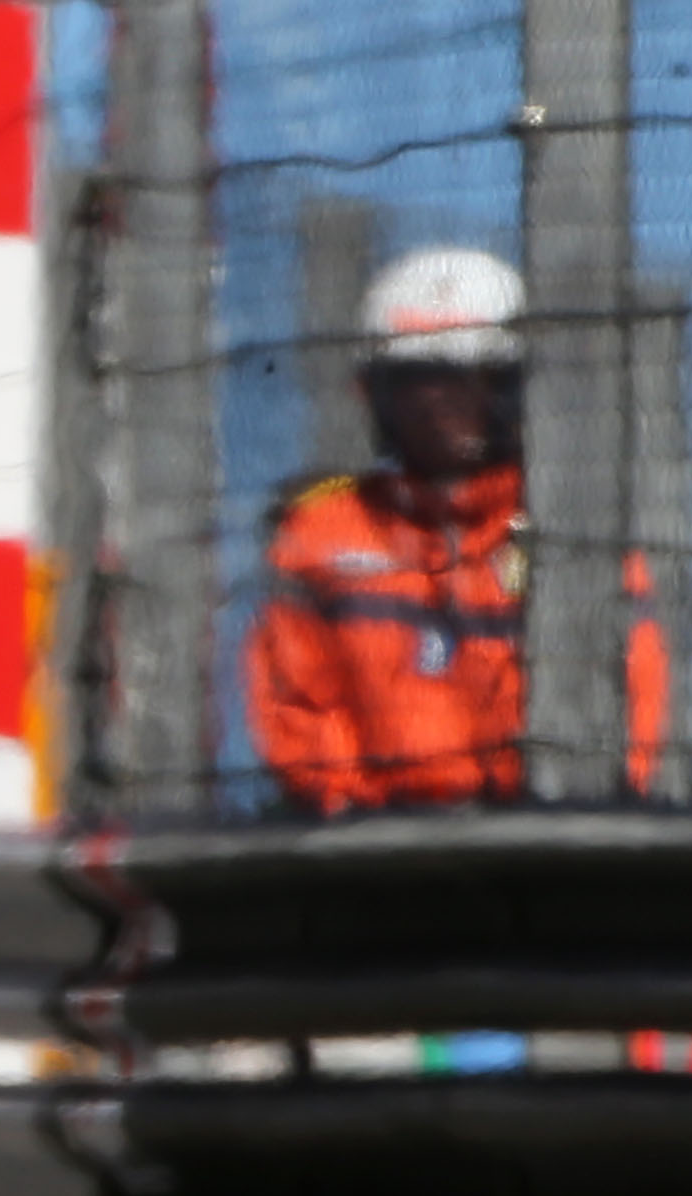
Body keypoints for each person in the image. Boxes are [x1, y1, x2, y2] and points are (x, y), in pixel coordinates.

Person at [246, 247, 661, 812]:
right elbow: (297, 710)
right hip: (368, 844)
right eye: (413, 380)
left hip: (543, 836)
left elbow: (631, 700)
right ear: (375, 394)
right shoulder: (322, 537)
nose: (435, 401)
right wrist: (366, 816)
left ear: (511, 387)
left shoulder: (574, 535)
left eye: (463, 378)